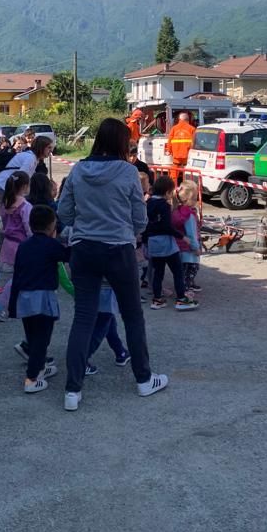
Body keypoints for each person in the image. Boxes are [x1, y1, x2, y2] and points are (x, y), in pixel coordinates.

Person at [58, 117, 168, 412]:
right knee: (132, 316)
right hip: (119, 249)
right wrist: (126, 229)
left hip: (83, 249)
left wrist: (86, 223)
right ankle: (143, 379)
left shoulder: (78, 169)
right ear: (121, 143)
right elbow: (140, 218)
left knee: (83, 318)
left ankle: (72, 390)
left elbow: (64, 213)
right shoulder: (128, 171)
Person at [9, 205, 68, 393]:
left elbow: (17, 275)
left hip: (24, 297)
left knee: (33, 335)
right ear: (52, 226)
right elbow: (69, 255)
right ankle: (32, 377)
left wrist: (12, 304)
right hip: (43, 297)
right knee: (42, 339)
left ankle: (40, 366)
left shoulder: (24, 246)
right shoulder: (51, 245)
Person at [144, 176, 199, 311]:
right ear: (168, 192)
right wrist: (182, 237)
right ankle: (181, 299)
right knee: (177, 271)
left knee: (158, 273)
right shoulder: (164, 205)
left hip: (152, 242)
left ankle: (157, 300)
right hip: (166, 243)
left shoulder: (148, 202)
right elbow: (167, 226)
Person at [0, 171, 33, 321]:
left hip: (8, 243)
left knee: (19, 276)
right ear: (25, 186)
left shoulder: (6, 203)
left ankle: (11, 305)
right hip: (21, 245)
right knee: (18, 277)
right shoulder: (25, 206)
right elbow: (29, 228)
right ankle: (0, 306)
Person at [174, 180, 203, 293]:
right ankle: (185, 291)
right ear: (187, 199)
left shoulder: (178, 210)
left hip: (179, 247)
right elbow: (191, 233)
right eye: (194, 198)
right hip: (189, 248)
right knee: (192, 269)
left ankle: (185, 287)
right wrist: (196, 248)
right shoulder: (189, 215)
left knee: (182, 271)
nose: (196, 200)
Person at [164, 111, 195, 183]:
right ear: (188, 120)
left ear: (179, 119)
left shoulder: (174, 129)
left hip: (176, 156)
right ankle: (186, 187)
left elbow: (169, 142)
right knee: (186, 173)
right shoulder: (192, 129)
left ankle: (173, 186)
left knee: (174, 173)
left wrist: (169, 151)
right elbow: (194, 143)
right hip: (187, 156)